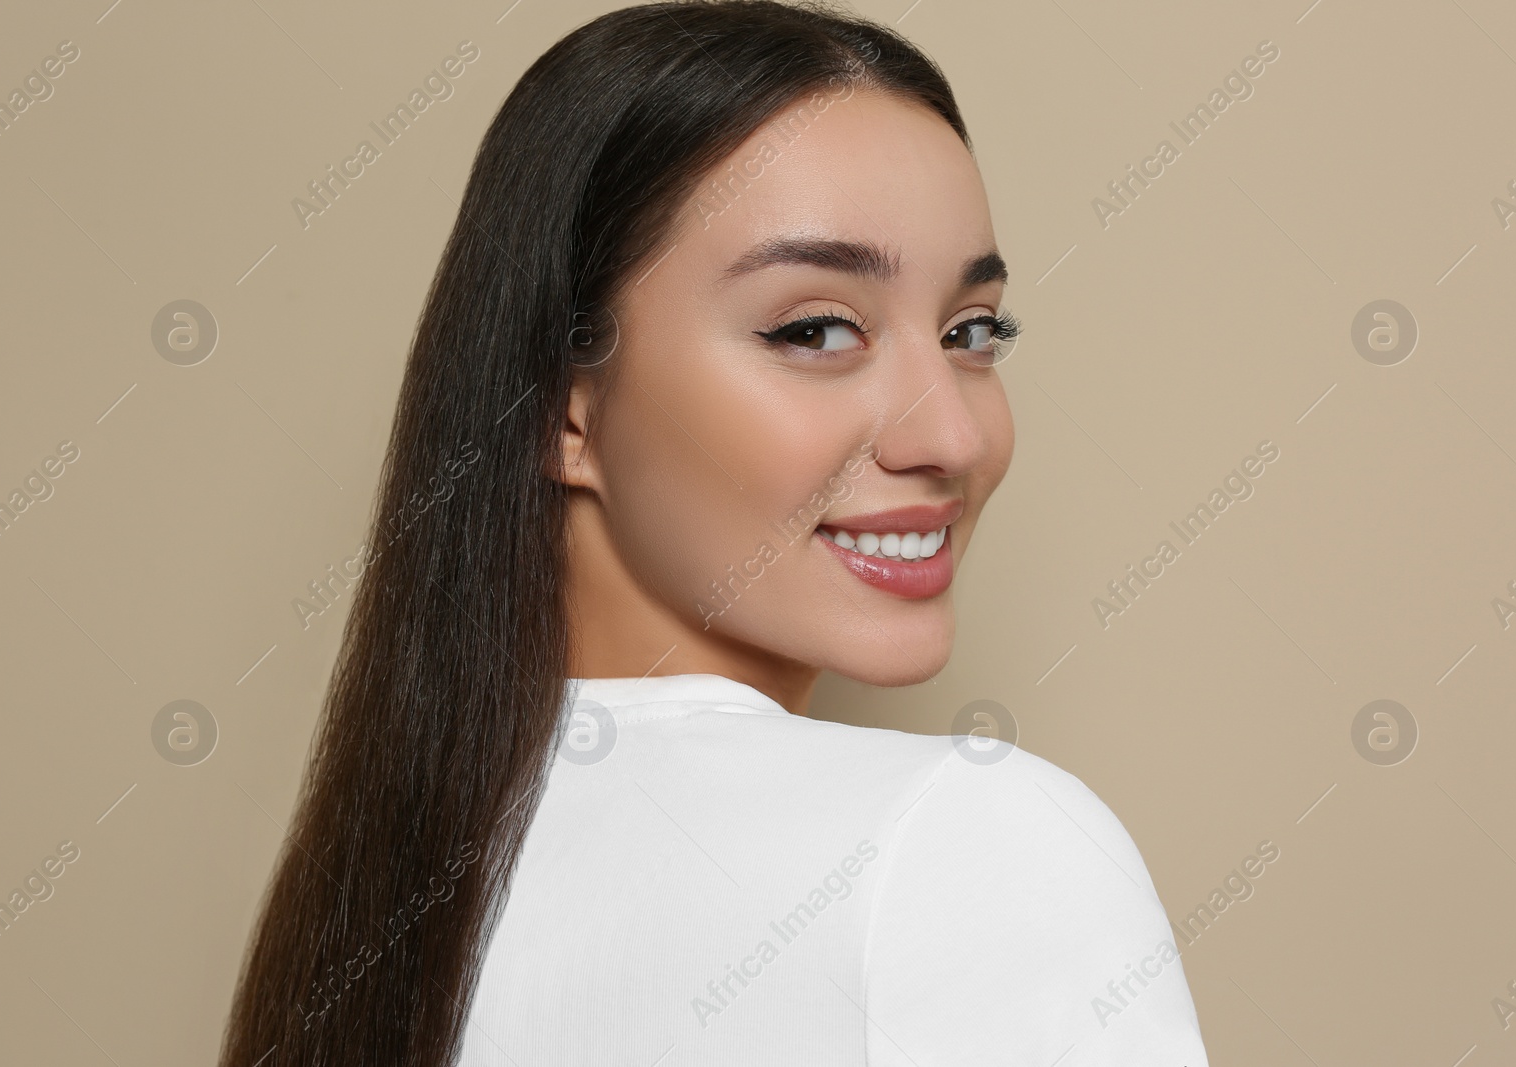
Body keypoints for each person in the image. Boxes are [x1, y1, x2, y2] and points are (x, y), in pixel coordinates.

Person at [219, 3, 1209, 1065]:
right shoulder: (967, 840)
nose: (953, 434)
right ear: (564, 406)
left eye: (972, 332)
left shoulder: (389, 897)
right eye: (814, 328)